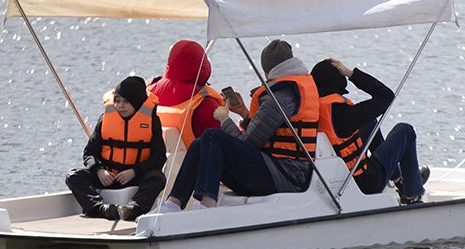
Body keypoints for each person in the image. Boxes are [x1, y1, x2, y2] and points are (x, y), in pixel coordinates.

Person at [165, 39, 319, 209]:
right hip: (279, 170)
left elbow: (247, 144)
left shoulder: (279, 96)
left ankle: (207, 204)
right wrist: (244, 113)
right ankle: (174, 203)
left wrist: (224, 119)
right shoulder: (290, 88)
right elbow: (267, 130)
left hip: (286, 177)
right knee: (199, 144)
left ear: (267, 71)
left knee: (211, 136)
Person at [312, 58, 429, 204]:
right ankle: (412, 193)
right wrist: (351, 73)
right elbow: (386, 96)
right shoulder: (345, 114)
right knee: (406, 130)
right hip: (366, 183)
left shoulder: (310, 111)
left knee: (369, 122)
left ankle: (398, 179)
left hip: (336, 179)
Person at [66, 75, 168, 223]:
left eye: (126, 102)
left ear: (138, 103)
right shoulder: (105, 120)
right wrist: (99, 170)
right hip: (108, 177)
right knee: (73, 176)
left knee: (158, 178)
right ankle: (101, 209)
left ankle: (133, 209)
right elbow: (89, 153)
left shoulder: (152, 122)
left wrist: (134, 171)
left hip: (135, 177)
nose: (120, 105)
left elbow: (159, 158)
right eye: (118, 100)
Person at [150, 39, 229, 148]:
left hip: (158, 162)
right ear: (203, 64)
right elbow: (224, 145)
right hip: (197, 163)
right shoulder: (206, 103)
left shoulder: (148, 93)